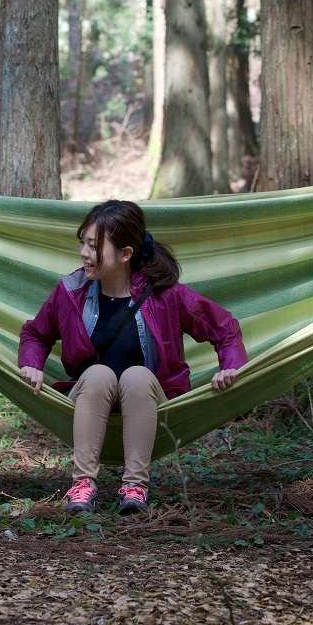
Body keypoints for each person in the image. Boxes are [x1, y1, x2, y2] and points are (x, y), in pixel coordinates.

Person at [17, 200, 247, 514]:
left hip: (151, 400)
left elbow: (224, 328)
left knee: (135, 376)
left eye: (94, 246)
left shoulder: (164, 294)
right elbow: (36, 333)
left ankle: (135, 485)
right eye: (83, 243)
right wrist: (31, 364)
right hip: (89, 397)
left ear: (125, 254)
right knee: (100, 374)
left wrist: (230, 366)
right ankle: (82, 484)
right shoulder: (71, 291)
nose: (84, 253)